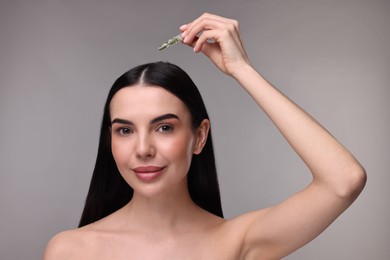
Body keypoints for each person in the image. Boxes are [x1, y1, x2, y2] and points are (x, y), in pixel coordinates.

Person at [44, 13, 366, 259]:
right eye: (125, 130)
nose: (143, 149)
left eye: (164, 127)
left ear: (200, 137)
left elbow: (344, 181)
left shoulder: (235, 242)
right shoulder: (70, 250)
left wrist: (242, 69)